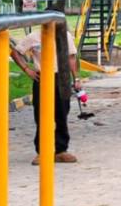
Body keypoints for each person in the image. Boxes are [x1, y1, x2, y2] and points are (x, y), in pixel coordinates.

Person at [10, 19, 81, 164]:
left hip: (61, 77)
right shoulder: (34, 37)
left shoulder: (65, 36)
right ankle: (42, 151)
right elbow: (15, 52)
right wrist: (27, 69)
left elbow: (71, 58)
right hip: (42, 77)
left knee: (62, 113)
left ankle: (61, 150)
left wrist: (77, 79)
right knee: (41, 114)